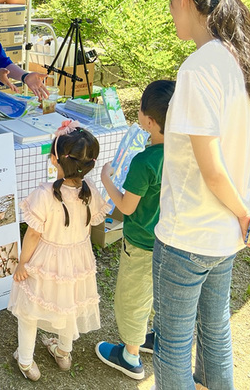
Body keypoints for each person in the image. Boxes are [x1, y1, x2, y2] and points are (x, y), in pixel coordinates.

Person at [152, 0, 250, 389]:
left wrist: (243, 211)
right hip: (224, 234)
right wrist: (243, 212)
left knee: (173, 346)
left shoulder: (200, 68)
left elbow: (211, 167)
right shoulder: (249, 59)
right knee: (216, 331)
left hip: (189, 233)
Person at [8, 121, 109, 381]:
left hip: (45, 261)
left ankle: (27, 361)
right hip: (77, 261)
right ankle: (64, 353)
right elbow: (94, 222)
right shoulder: (91, 191)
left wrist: (22, 263)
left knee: (29, 311)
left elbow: (33, 233)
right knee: (69, 306)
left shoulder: (44, 194)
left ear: (55, 160)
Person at [95, 79, 175, 380]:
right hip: (170, 239)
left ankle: (130, 355)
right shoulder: (185, 151)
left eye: (140, 110)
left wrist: (106, 179)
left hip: (141, 240)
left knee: (132, 297)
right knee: (158, 291)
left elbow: (126, 207)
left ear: (150, 121)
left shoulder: (145, 161)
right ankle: (154, 337)